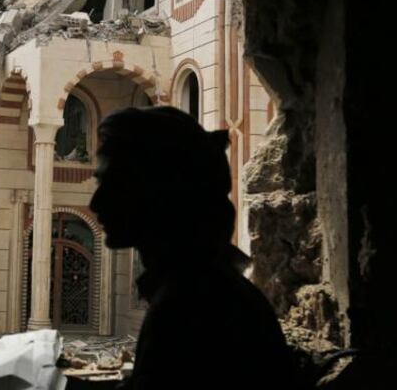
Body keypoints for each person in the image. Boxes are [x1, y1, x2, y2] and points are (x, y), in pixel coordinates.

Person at [89, 106, 296, 389]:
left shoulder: (190, 306)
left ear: (159, 192)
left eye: (114, 184)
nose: (96, 203)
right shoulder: (204, 285)